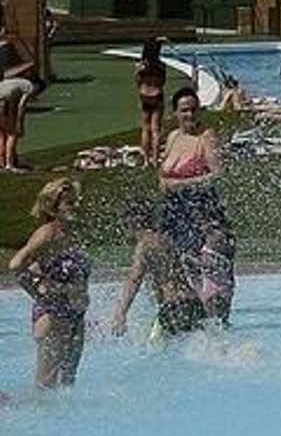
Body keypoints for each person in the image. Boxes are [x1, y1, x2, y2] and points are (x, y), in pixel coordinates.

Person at [158, 88, 235, 323]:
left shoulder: (206, 137)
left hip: (202, 214)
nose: (189, 115)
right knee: (184, 271)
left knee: (212, 271)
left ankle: (218, 323)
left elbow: (219, 174)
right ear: (175, 113)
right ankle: (190, 320)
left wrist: (182, 184)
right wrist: (167, 184)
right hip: (176, 214)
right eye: (184, 110)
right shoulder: (173, 137)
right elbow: (162, 176)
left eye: (193, 109)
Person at [9, 176, 92, 387]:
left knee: (68, 386)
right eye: (70, 203)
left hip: (76, 315)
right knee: (46, 390)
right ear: (54, 208)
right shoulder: (47, 234)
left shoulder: (73, 233)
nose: (77, 206)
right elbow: (16, 265)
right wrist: (40, 291)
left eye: (77, 201)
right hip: (52, 315)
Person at [109, 198, 206, 339]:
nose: (122, 227)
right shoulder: (165, 239)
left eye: (123, 222)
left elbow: (135, 278)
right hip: (194, 304)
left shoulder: (144, 245)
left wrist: (121, 313)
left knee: (153, 350)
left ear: (132, 221)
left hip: (174, 307)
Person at [0, 53, 41, 172]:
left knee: (2, 133)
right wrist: (19, 123)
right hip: (1, 104)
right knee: (13, 134)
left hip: (3, 101)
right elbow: (21, 106)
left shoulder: (15, 82)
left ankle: (2, 163)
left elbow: (11, 100)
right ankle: (10, 165)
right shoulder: (30, 87)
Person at [134, 38, 168, 161]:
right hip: (157, 95)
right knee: (156, 129)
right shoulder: (161, 65)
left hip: (144, 95)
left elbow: (137, 81)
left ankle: (145, 158)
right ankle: (155, 157)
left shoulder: (140, 66)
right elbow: (163, 82)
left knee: (145, 127)